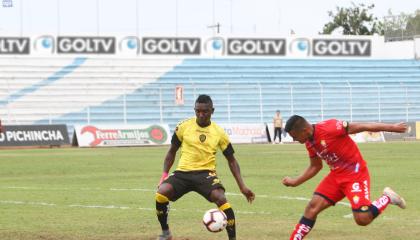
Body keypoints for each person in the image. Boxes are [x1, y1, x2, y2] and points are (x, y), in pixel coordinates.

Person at [282, 115, 407, 240]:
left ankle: (387, 198)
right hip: (336, 176)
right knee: (312, 208)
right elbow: (315, 166)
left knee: (362, 219)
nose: (294, 139)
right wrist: (295, 182)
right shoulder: (309, 142)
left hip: (355, 174)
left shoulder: (330, 127)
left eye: (295, 136)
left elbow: (361, 126)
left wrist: (392, 127)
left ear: (304, 130)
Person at [155, 94, 255, 240]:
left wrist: (242, 186)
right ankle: (166, 232)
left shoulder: (219, 133)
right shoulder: (183, 127)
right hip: (183, 172)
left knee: (220, 198)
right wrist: (164, 176)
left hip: (206, 174)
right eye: (198, 111)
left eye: (205, 111)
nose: (201, 115)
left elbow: (232, 161)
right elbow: (171, 152)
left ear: (212, 111)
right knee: (161, 193)